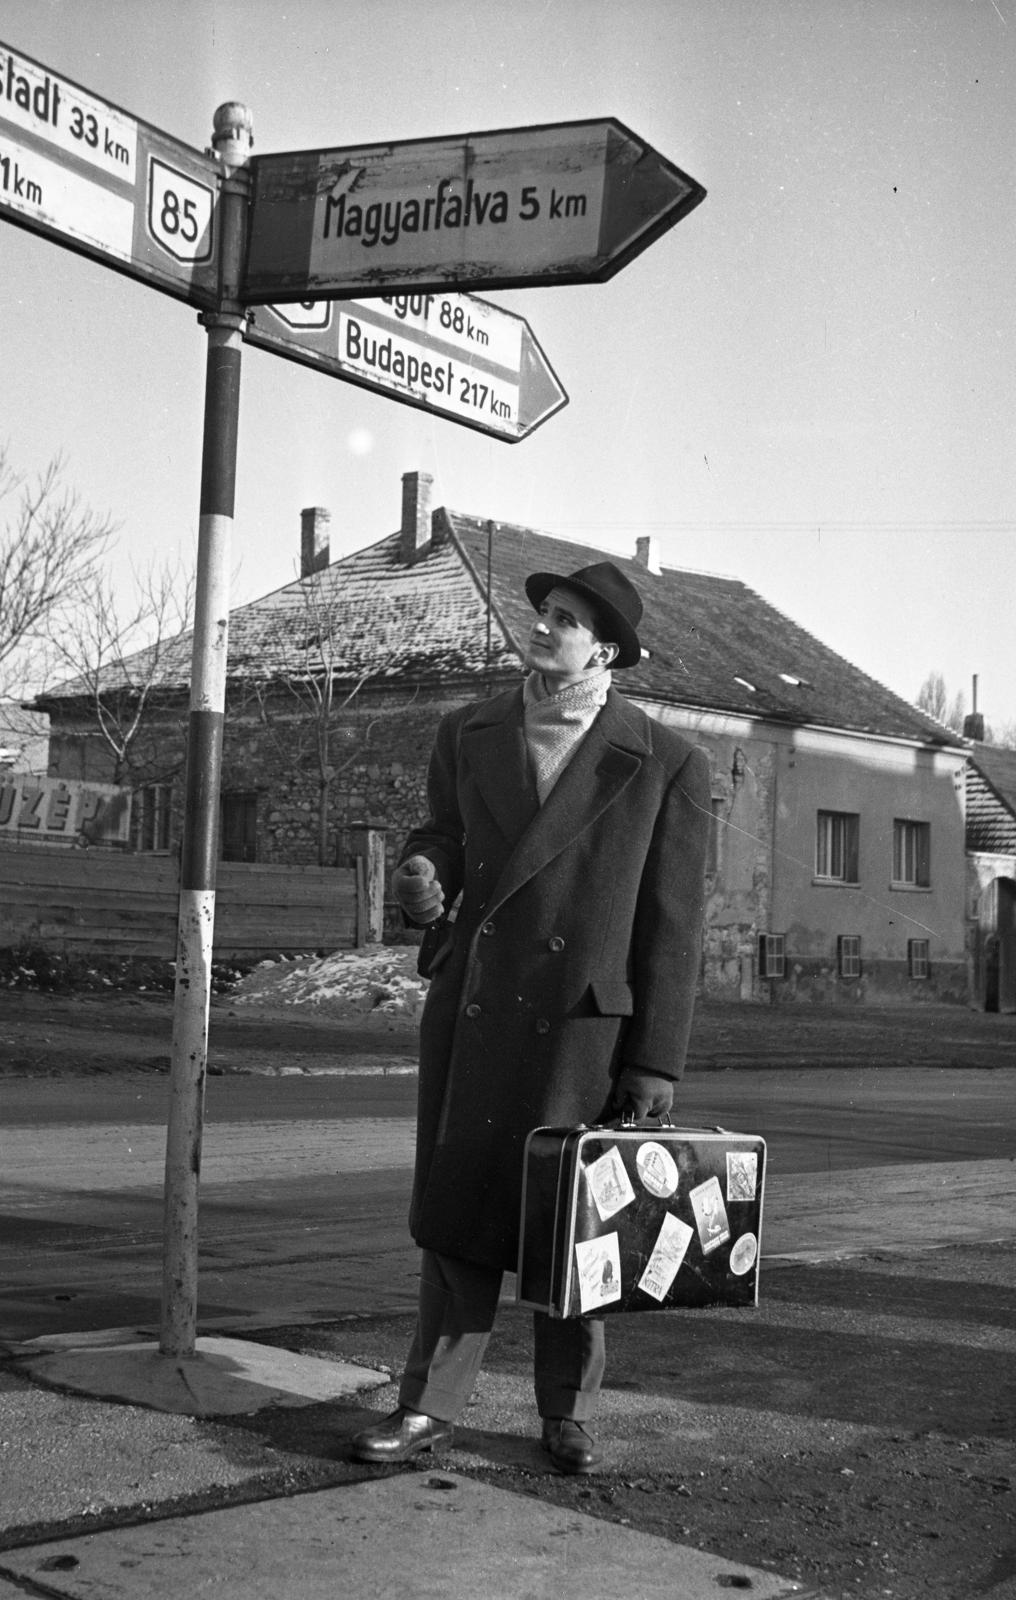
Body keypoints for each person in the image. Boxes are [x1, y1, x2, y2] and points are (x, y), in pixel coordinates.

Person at [350, 560, 712, 1475]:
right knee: (458, 1217)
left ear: (607, 649)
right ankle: (429, 1409)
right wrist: (425, 879)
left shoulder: (665, 761)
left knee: (579, 1226)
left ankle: (567, 1412)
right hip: (479, 1011)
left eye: (567, 620)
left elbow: (674, 928)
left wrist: (655, 1062)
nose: (545, 627)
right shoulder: (467, 731)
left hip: (586, 1028)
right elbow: (443, 836)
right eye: (543, 612)